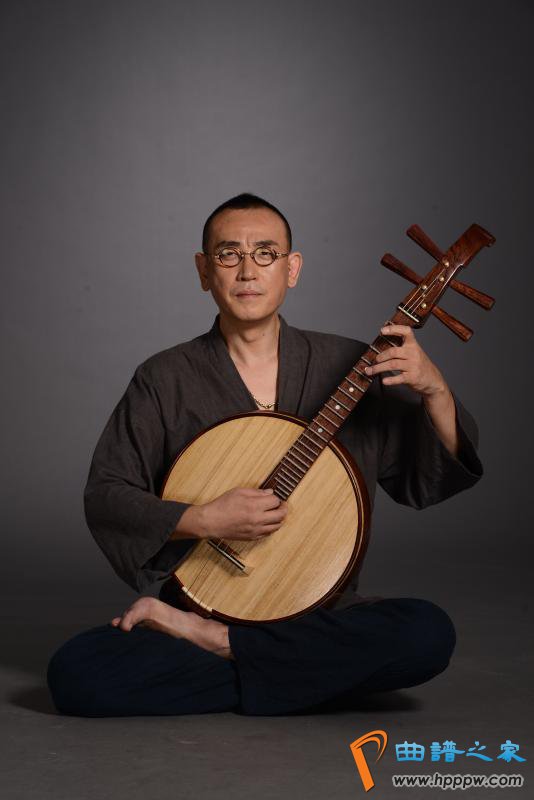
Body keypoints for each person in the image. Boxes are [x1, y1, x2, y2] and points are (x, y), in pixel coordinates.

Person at [47, 193, 483, 717]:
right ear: (204, 270)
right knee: (76, 674)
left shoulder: (352, 365)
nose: (248, 270)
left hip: (320, 611)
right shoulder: (164, 378)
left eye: (266, 253)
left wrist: (435, 390)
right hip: (206, 602)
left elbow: (425, 478)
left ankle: (226, 647)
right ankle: (310, 673)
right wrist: (204, 518)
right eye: (228, 254)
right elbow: (106, 495)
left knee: (427, 632)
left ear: (292, 268)